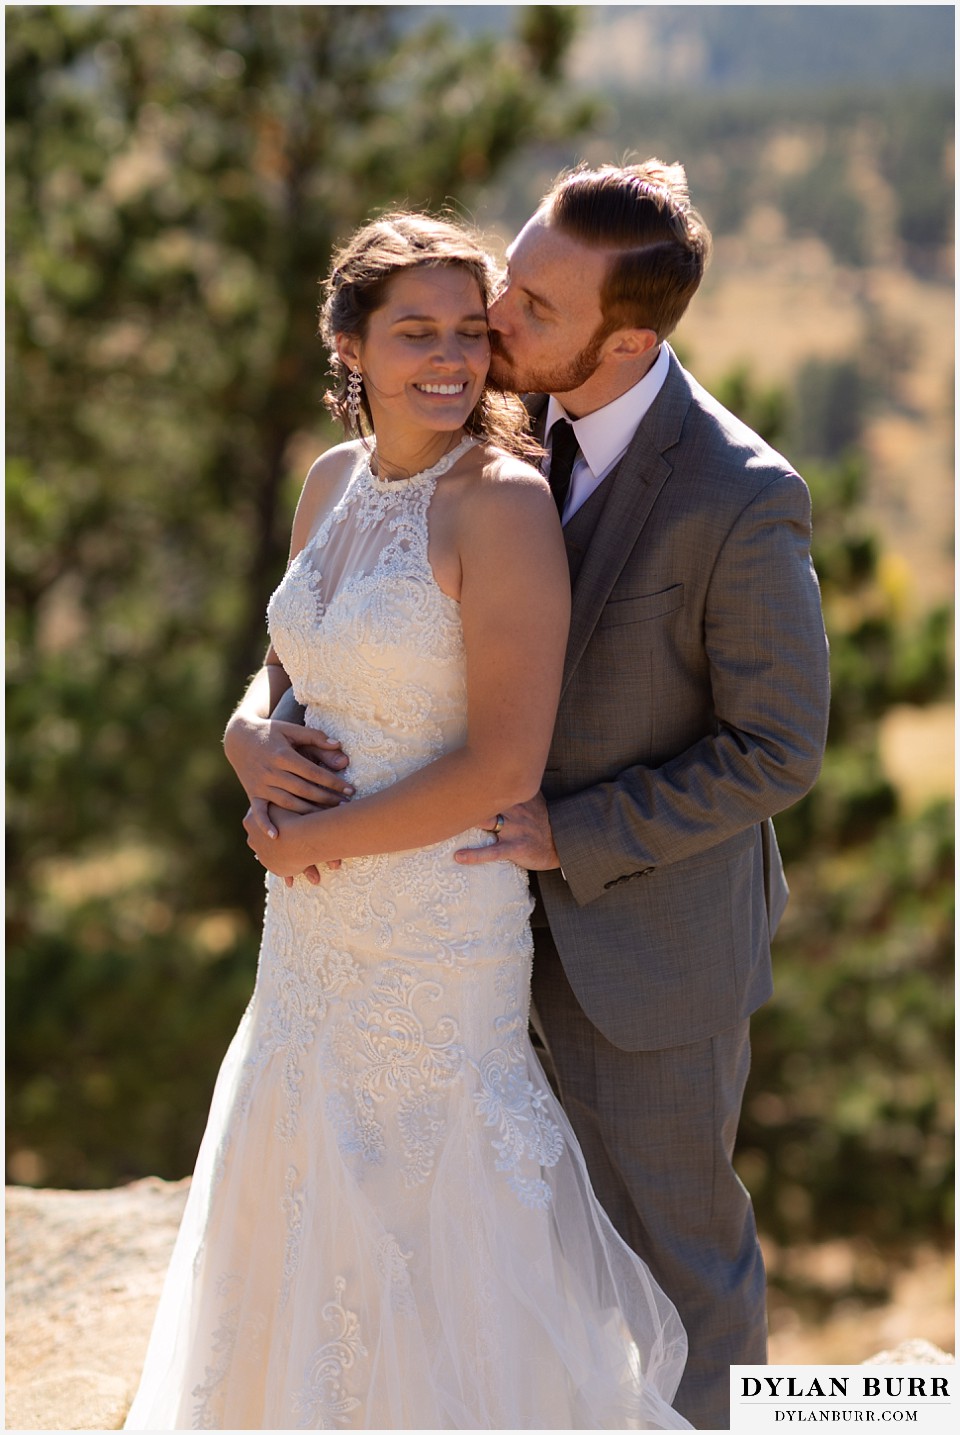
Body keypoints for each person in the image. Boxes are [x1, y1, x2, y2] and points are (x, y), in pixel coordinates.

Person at [125, 212, 690, 1431]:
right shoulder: (330, 482)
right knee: (301, 1193)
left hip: (436, 931)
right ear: (351, 343)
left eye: (469, 333)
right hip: (310, 943)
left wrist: (314, 838)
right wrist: (244, 733)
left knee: (433, 1219)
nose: (451, 358)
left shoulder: (501, 502)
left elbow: (503, 762)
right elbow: (289, 666)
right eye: (415, 332)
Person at [449, 160, 831, 1429]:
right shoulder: (493, 419)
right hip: (472, 947)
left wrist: (575, 831)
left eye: (535, 308)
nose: (496, 315)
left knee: (682, 1275)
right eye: (510, 276)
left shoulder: (742, 496)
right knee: (536, 1267)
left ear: (633, 337)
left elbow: (778, 747)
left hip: (655, 959)